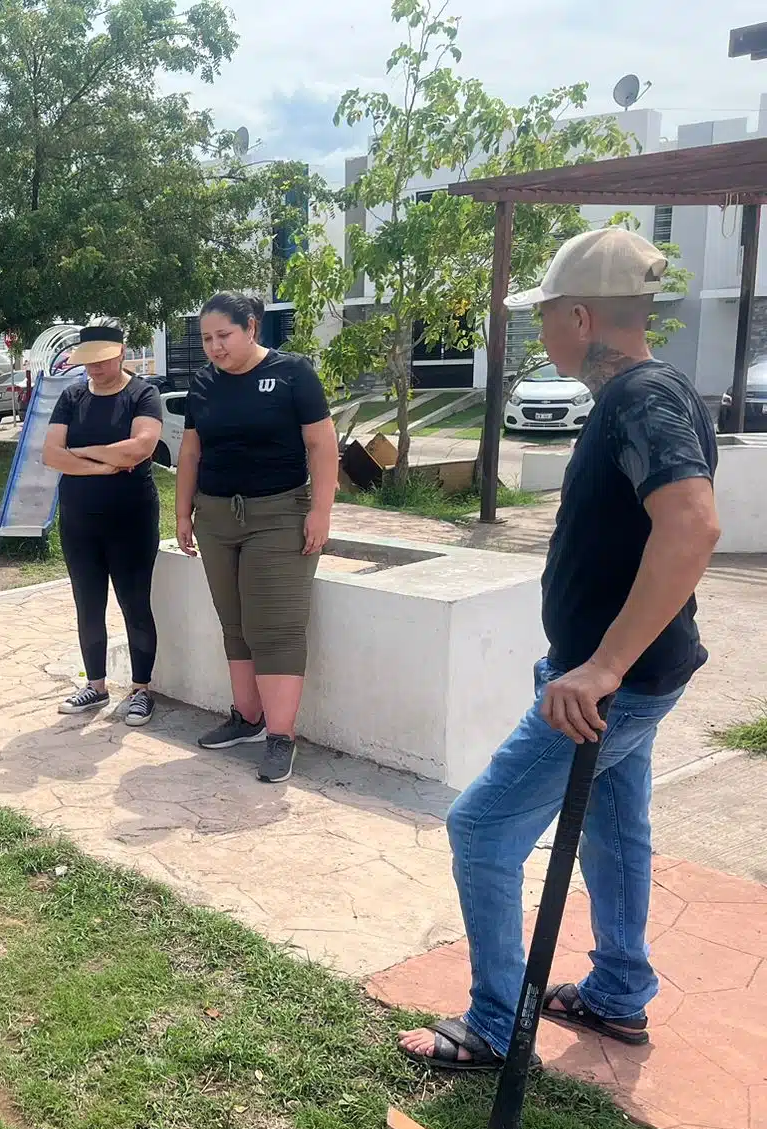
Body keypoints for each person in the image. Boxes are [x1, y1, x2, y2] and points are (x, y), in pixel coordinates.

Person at [399, 227, 721, 1071]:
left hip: (609, 685)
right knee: (617, 830)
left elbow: (691, 525)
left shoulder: (642, 397)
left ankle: (496, 1025)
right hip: (630, 675)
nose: (540, 335)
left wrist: (603, 664)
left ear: (580, 316)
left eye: (544, 318)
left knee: (482, 827)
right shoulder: (649, 393)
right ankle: (618, 993)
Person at [174, 293, 338, 784]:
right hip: (217, 517)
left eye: (223, 335)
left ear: (251, 327)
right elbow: (190, 453)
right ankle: (246, 719)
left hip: (279, 515)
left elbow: (322, 445)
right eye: (206, 338)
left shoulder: (293, 374)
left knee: (277, 629)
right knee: (235, 623)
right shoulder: (203, 384)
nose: (214, 347)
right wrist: (183, 513)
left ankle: (280, 736)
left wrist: (321, 512)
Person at [42, 324, 165, 726]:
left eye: (102, 359)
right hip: (79, 518)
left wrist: (80, 454)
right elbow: (50, 455)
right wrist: (107, 466)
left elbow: (140, 447)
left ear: (121, 353)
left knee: (134, 603)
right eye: (87, 361)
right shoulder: (71, 396)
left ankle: (142, 689)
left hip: (131, 516)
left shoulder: (142, 394)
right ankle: (95, 686)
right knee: (88, 603)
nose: (94, 367)